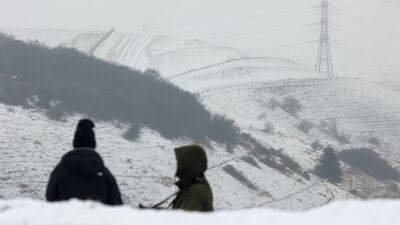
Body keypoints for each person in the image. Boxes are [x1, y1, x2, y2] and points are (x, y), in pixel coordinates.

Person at [45, 119, 123, 205]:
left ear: (75, 143)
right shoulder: (105, 174)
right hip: (98, 218)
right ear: (93, 144)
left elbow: (50, 200)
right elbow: (117, 206)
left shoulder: (60, 170)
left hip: (67, 217)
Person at [171, 145, 214, 212]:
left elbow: (182, 220)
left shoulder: (196, 191)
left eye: (180, 163)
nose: (178, 166)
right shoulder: (193, 185)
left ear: (188, 165)